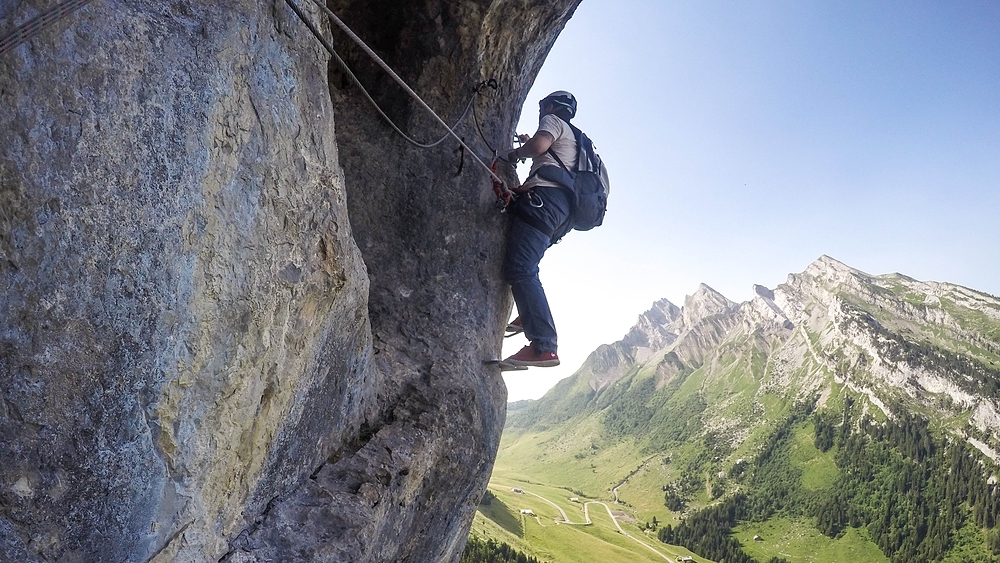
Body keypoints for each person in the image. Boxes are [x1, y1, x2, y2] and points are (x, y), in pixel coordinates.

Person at [497, 91, 580, 368]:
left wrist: (514, 154)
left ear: (553, 107)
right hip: (563, 213)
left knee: (521, 269)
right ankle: (530, 311)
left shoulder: (554, 121)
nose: (542, 114)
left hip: (547, 203)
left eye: (543, 108)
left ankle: (544, 346)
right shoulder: (582, 144)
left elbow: (539, 146)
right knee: (527, 263)